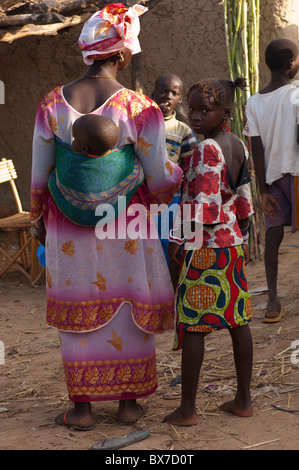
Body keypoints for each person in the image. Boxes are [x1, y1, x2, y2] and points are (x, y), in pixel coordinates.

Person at [30, 3, 182, 431]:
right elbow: (158, 176)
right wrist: (176, 174)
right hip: (126, 225)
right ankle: (128, 404)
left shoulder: (49, 104)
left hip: (66, 225)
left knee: (77, 306)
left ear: (89, 51)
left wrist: (38, 214)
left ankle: (80, 409)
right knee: (125, 302)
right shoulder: (140, 108)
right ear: (122, 53)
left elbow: (40, 171)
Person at [164, 77, 254, 426]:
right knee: (237, 320)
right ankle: (244, 400)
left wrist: (178, 238)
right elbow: (244, 199)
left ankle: (187, 410)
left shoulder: (205, 150)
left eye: (206, 110)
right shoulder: (237, 145)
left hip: (204, 249)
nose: (196, 116)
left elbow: (204, 208)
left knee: (193, 326)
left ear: (224, 111)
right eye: (193, 108)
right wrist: (242, 234)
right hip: (231, 247)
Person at [244, 38, 299, 323]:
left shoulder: (253, 102)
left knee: (273, 238)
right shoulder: (296, 94)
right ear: (290, 63)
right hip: (297, 174)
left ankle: (273, 301)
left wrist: (262, 190)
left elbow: (257, 149)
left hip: (272, 179)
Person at [153, 74, 197, 267]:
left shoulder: (182, 130)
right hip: (144, 198)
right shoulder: (141, 125)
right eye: (163, 91)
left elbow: (190, 168)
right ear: (154, 94)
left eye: (174, 93)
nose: (168, 96)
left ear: (179, 99)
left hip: (173, 199)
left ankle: (170, 292)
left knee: (167, 243)